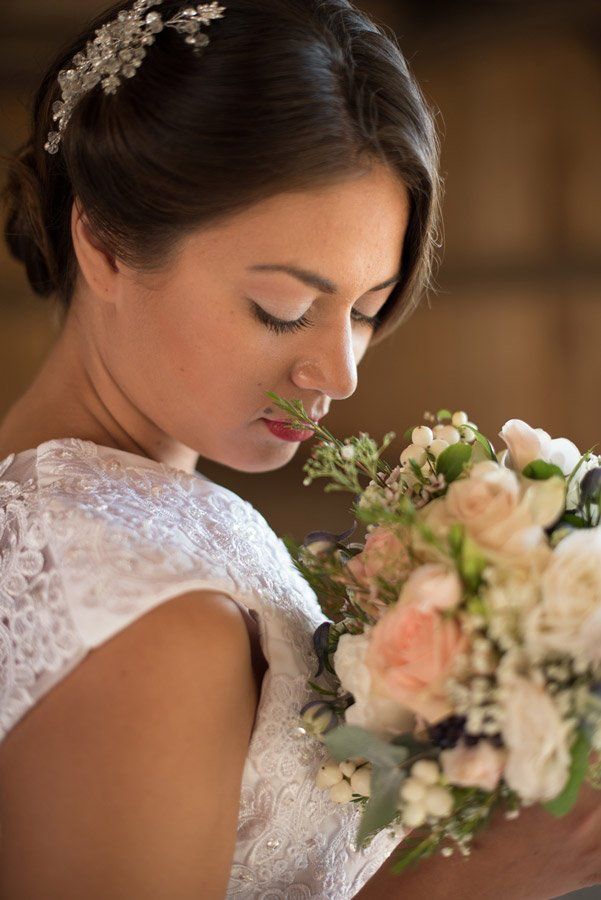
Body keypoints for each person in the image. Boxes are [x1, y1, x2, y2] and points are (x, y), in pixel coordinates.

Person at [0, 1, 599, 898]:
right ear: (107, 242)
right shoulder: (148, 621)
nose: (342, 370)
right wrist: (474, 878)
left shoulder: (94, 524)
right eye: (281, 308)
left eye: (366, 310)